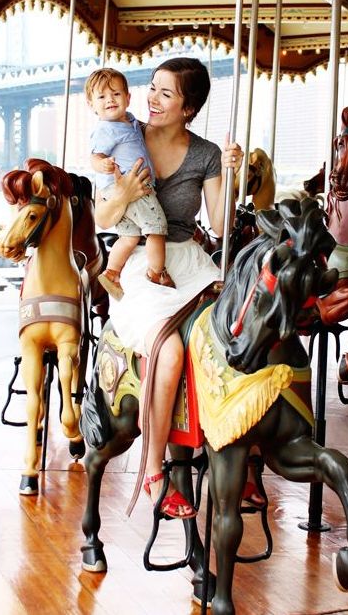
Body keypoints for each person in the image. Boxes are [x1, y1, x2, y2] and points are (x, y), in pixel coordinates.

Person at [94, 57, 249, 519]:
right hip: (139, 261)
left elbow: (220, 224)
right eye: (153, 88)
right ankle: (154, 468)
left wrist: (232, 175)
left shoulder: (205, 154)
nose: (153, 99)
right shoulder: (125, 133)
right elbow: (103, 216)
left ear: (189, 108)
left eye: (166, 93)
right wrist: (124, 193)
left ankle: (242, 451)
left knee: (237, 338)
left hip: (190, 263)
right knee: (171, 349)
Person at [86, 67, 175, 301]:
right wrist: (102, 164)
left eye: (116, 94)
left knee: (129, 237)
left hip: (125, 190)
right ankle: (157, 273)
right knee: (156, 229)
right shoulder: (106, 129)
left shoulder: (131, 121)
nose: (110, 100)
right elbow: (95, 156)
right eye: (102, 97)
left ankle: (112, 272)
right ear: (91, 105)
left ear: (128, 98)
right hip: (134, 189)